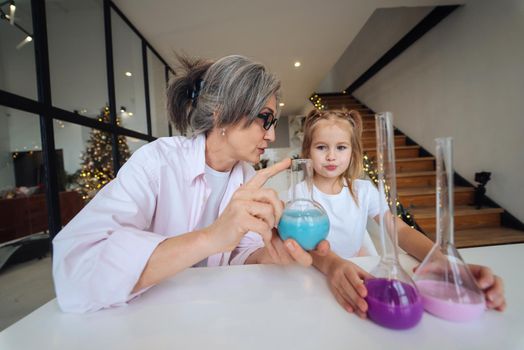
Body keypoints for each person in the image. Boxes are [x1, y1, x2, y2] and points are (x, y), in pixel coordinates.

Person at [52, 55, 328, 313]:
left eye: (274, 122)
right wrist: (211, 237)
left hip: (213, 316)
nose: (270, 135)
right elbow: (74, 273)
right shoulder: (157, 163)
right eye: (265, 119)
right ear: (221, 114)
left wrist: (267, 255)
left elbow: (240, 252)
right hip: (148, 324)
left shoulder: (246, 175)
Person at [292, 108, 506, 318]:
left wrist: (440, 261)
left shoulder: (363, 190)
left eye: (341, 147)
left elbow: (398, 228)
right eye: (321, 147)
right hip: (316, 273)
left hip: (358, 270)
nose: (331, 156)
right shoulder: (299, 192)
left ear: (353, 151)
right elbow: (301, 244)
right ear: (307, 151)